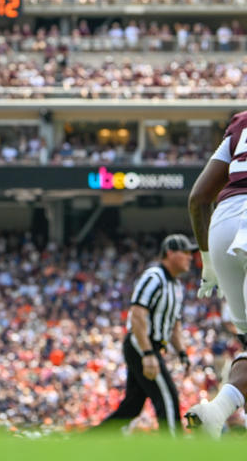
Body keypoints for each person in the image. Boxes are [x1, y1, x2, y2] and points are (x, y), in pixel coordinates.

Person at [186, 110, 247, 436]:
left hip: (223, 224)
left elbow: (198, 199)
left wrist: (208, 261)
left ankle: (219, 412)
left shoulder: (241, 122)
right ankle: (219, 411)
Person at [97, 234, 194, 435]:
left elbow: (174, 324)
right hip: (141, 343)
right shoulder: (154, 276)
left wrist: (182, 353)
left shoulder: (175, 286)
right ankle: (174, 450)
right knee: (167, 398)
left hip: (151, 345)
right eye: (185, 252)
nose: (190, 257)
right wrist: (148, 353)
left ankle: (87, 443)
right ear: (170, 253)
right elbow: (138, 313)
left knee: (132, 407)